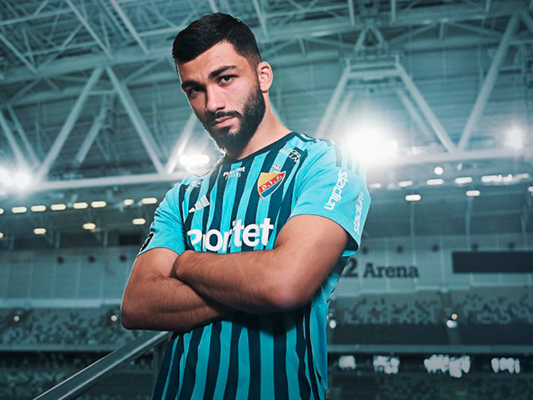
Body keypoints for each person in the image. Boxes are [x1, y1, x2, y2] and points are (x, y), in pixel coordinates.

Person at [121, 13, 370, 400]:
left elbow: (283, 284)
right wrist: (252, 287)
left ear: (263, 76)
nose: (212, 103)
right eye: (194, 90)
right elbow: (138, 304)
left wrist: (185, 263)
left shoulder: (325, 163)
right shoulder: (183, 196)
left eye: (225, 78)